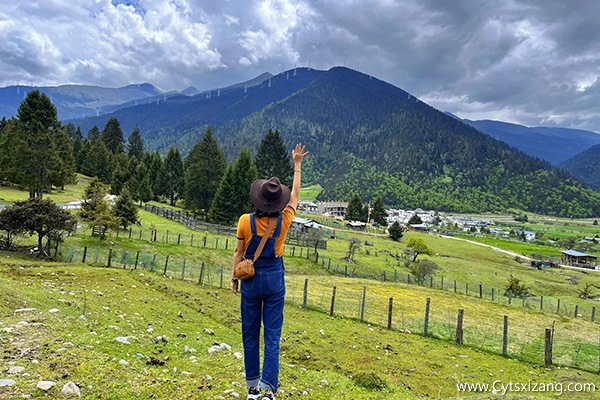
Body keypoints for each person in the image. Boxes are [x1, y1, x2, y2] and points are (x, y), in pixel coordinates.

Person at [231, 143, 308, 400]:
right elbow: (296, 195)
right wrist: (297, 165)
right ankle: (268, 391)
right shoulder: (284, 220)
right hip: (274, 277)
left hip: (251, 280)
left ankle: (252, 389)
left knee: (250, 333)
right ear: (278, 203)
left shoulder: (245, 220)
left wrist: (234, 277)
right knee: (272, 336)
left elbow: (238, 253)